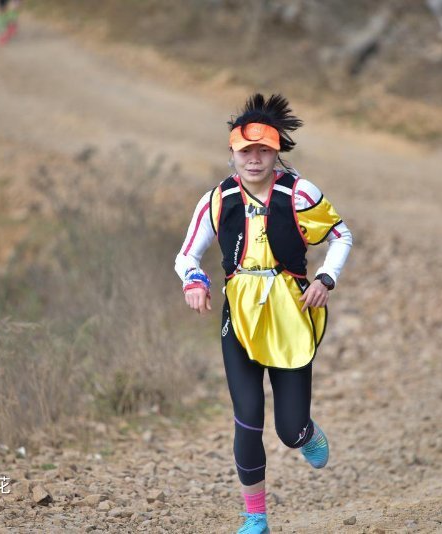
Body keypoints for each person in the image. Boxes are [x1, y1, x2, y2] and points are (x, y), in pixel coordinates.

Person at [175, 94, 353, 533]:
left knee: (288, 429)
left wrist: (325, 279)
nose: (254, 159)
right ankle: (256, 518)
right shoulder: (218, 199)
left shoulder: (300, 193)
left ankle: (305, 434)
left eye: (263, 151)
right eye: (245, 151)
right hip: (239, 316)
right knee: (247, 417)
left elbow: (341, 236)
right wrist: (194, 281)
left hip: (291, 314)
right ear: (232, 152)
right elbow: (186, 256)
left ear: (277, 151)